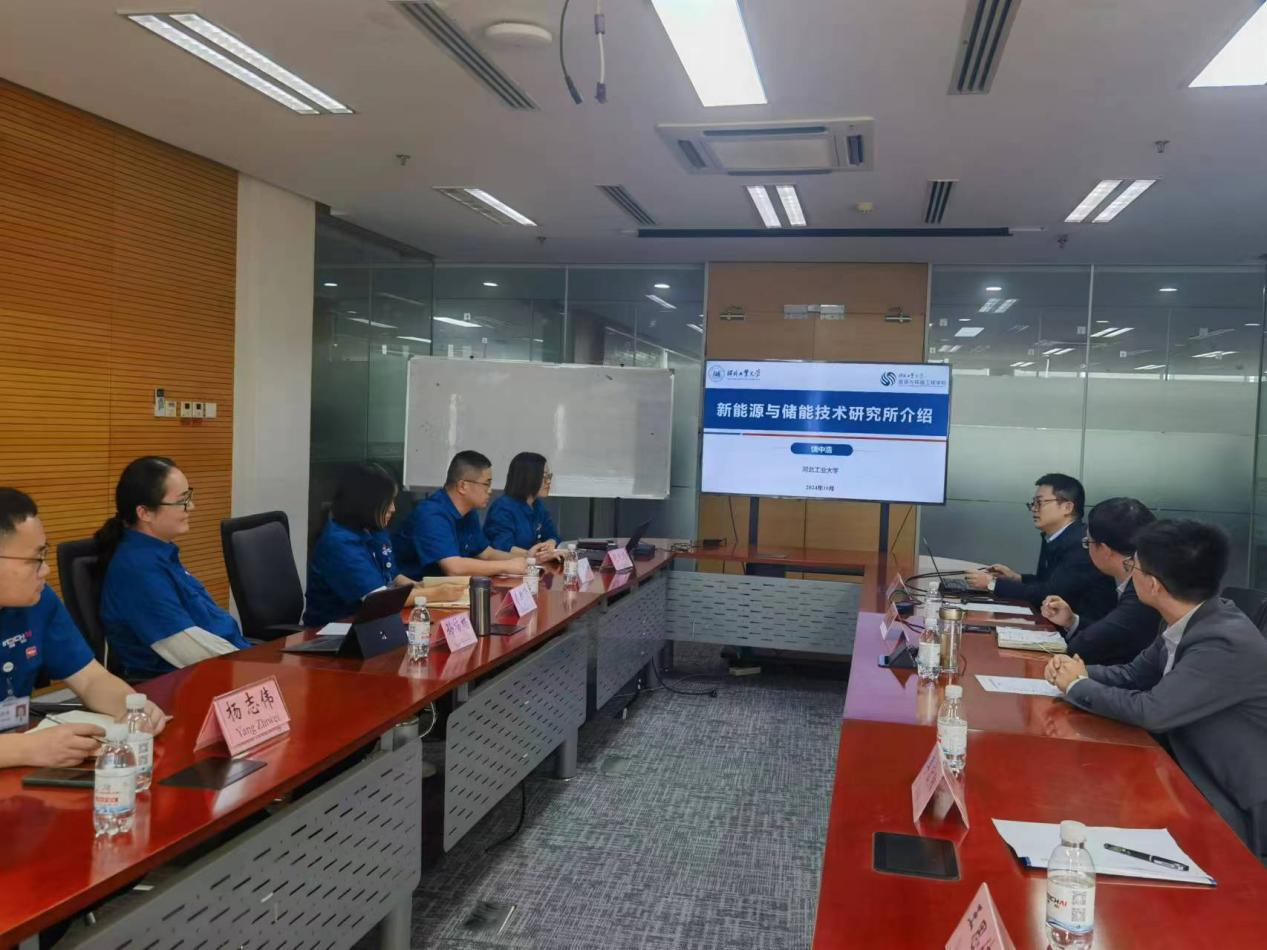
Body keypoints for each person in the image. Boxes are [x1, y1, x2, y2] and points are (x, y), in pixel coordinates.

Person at [1045, 520, 1267, 860]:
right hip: (1183, 771)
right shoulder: (1188, 619)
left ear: (1153, 584)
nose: (1130, 573)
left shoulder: (1223, 641)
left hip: (1229, 799)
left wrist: (1077, 686)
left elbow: (1152, 711)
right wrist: (1077, 672)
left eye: (1133, 566)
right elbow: (1133, 674)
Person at [0, 488, 166, 769]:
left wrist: (130, 706)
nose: (46, 570)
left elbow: (90, 679)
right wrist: (24, 749)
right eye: (35, 559)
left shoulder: (37, 602)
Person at [98, 457, 249, 680]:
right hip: (188, 681)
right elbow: (192, 653)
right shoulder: (137, 571)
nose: (191, 507)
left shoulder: (159, 553)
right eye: (182, 501)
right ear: (145, 513)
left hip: (228, 662)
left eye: (189, 496)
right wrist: (253, 667)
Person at [304, 463, 465, 627]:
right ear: (367, 503)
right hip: (333, 629)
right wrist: (438, 593)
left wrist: (419, 586)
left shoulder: (373, 530)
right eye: (388, 502)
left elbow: (392, 576)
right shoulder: (340, 543)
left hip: (373, 624)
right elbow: (379, 600)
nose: (393, 509)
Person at [965, 473, 1116, 623]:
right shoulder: (1056, 536)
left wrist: (992, 583)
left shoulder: (1081, 543)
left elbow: (1049, 594)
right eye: (1033, 503)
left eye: (1040, 502)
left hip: (1085, 631)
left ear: (1067, 507)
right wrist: (1016, 578)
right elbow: (1047, 582)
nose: (1034, 509)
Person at [1040, 497, 1161, 665]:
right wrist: (1071, 621)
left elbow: (1084, 647)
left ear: (1105, 550)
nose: (1086, 549)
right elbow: (1112, 633)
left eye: (1087, 543)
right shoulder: (1137, 578)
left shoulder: (1143, 590)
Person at [393, 451, 548, 578]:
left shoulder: (468, 511)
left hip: (447, 588)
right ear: (463, 486)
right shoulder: (431, 514)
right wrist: (506, 566)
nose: (490, 491)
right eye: (486, 484)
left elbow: (486, 553)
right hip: (415, 591)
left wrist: (529, 558)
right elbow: (454, 567)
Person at [484, 452, 563, 554]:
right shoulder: (503, 508)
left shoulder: (538, 506)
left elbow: (553, 535)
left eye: (549, 476)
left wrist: (551, 542)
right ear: (527, 477)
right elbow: (502, 547)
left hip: (531, 562)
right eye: (544, 477)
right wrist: (532, 556)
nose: (548, 481)